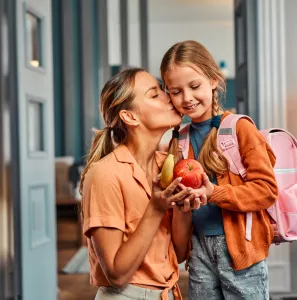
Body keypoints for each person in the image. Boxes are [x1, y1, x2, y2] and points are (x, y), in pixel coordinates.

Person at [161, 40, 278, 300]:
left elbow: (267, 191)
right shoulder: (179, 139)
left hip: (241, 250)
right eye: (175, 91)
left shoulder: (239, 128)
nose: (187, 98)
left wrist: (214, 192)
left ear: (214, 80)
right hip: (199, 249)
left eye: (194, 86)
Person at [80, 68, 206, 300]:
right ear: (130, 116)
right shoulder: (105, 174)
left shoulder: (168, 165)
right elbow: (116, 274)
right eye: (154, 93)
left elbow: (176, 254)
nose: (169, 96)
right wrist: (156, 208)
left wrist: (184, 208)